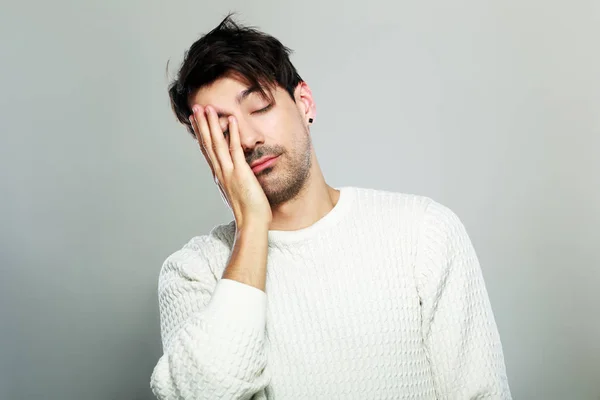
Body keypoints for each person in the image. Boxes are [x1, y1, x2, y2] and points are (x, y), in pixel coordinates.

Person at [150, 13, 512, 400]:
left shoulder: (424, 232)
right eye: (223, 132)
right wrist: (253, 224)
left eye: (259, 108)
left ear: (304, 102)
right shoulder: (192, 272)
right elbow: (207, 393)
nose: (248, 139)